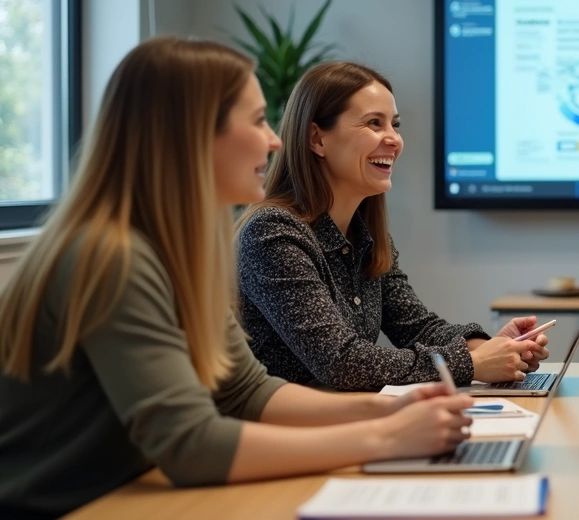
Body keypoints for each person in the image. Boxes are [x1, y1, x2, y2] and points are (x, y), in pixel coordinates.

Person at [0, 38, 475, 520]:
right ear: (191, 135)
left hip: (121, 495)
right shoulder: (111, 256)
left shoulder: (179, 253)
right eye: (256, 121)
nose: (273, 140)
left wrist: (393, 409)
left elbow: (246, 391)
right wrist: (385, 437)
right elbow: (191, 444)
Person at [236, 61, 548, 392]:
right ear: (317, 139)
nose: (394, 140)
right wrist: (472, 363)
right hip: (289, 436)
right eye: (374, 123)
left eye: (395, 125)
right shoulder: (272, 233)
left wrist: (485, 347)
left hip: (348, 421)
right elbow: (342, 363)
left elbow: (416, 327)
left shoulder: (365, 235)